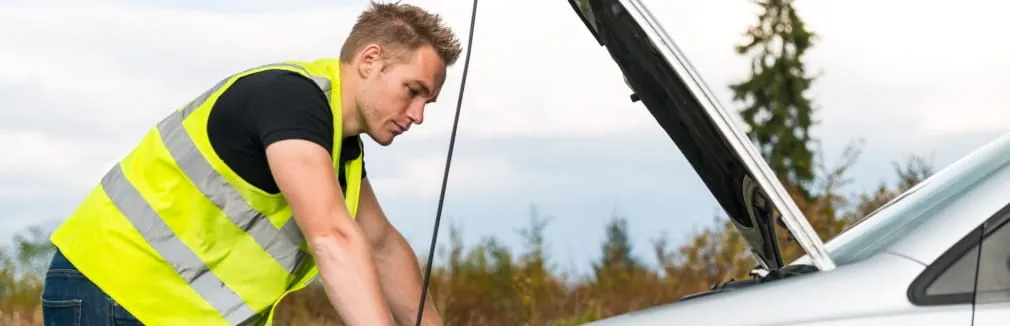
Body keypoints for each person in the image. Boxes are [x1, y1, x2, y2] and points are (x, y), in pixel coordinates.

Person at [40, 2, 462, 325]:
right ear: (369, 60)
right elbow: (332, 238)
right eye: (413, 90)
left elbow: (381, 246)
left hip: (159, 304)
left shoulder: (340, 148)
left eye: (428, 102)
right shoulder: (292, 101)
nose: (418, 115)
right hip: (113, 289)